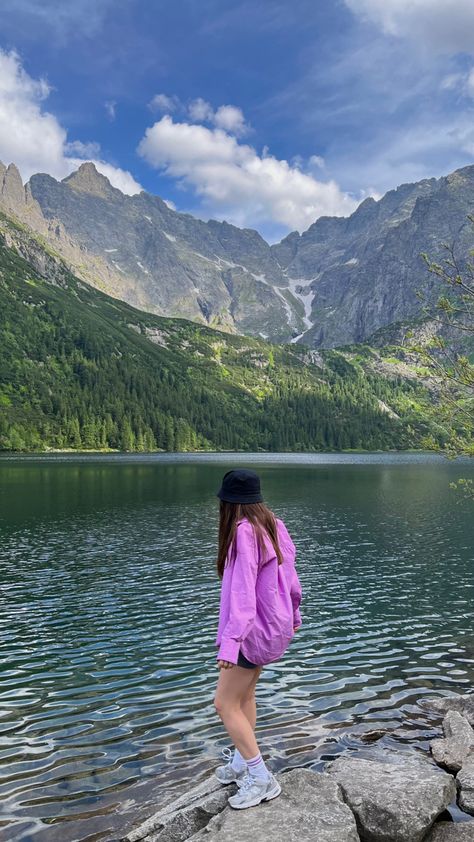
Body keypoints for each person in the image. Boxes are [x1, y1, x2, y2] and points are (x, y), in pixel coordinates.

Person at [212, 468, 303, 810]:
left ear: (228, 503)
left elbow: (242, 594)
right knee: (245, 694)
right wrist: (294, 615)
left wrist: (231, 641)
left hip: (250, 632)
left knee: (223, 703)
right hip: (274, 628)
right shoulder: (273, 525)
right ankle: (240, 760)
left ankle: (260, 777)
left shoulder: (244, 533)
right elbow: (292, 578)